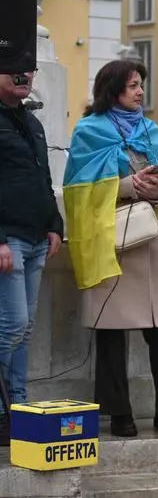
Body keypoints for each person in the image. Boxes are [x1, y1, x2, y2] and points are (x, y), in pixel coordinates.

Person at [64, 60, 158, 438]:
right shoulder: (89, 131)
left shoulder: (150, 129)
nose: (140, 92)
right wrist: (126, 186)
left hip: (153, 240)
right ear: (112, 89)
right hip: (115, 242)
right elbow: (78, 190)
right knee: (112, 330)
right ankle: (118, 413)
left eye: (141, 85)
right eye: (133, 85)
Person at [0, 70, 64, 446]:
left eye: (29, 68)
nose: (24, 76)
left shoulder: (33, 123)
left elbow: (44, 179)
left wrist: (55, 224)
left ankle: (17, 405)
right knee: (12, 325)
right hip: (9, 240)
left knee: (23, 330)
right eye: (12, 68)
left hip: (38, 237)